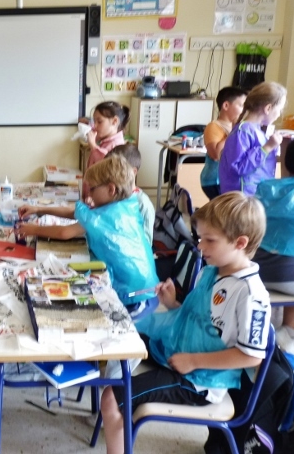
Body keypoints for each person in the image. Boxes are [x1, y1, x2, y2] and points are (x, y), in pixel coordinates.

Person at [101, 192, 271, 454]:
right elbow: (204, 324)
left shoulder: (251, 294)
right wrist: (172, 304)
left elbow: (252, 356)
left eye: (209, 240)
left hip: (200, 381)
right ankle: (121, 418)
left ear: (240, 242)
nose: (200, 247)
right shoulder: (212, 271)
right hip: (180, 352)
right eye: (200, 238)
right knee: (119, 337)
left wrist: (193, 361)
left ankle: (118, 425)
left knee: (111, 399)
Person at [17, 156, 158, 311]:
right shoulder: (122, 205)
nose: (89, 195)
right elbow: (76, 212)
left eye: (92, 189)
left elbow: (65, 232)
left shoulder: (107, 217)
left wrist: (34, 229)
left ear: (111, 189)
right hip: (140, 285)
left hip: (137, 296)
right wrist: (39, 209)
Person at [254, 134, 294, 356]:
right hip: (292, 278)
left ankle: (282, 332)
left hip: (255, 268)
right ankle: (288, 331)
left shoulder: (265, 188)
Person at [218, 82, 287, 196]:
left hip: (255, 194)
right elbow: (238, 168)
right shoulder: (243, 131)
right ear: (268, 108)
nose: (279, 114)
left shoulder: (257, 131)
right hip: (243, 197)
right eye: (279, 109)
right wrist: (267, 147)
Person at [200, 87, 247, 200]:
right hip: (214, 181)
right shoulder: (213, 126)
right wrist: (234, 131)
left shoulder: (239, 127)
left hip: (229, 179)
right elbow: (216, 154)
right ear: (226, 106)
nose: (244, 110)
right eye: (241, 105)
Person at [105, 144, 155, 244]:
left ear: (133, 172)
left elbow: (146, 243)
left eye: (116, 170)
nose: (110, 175)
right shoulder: (113, 194)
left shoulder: (143, 204)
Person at [83, 101, 130, 169]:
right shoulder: (107, 140)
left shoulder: (116, 144)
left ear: (115, 121)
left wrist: (93, 146)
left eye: (99, 122)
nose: (95, 126)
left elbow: (108, 164)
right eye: (94, 121)